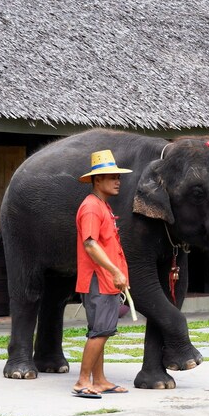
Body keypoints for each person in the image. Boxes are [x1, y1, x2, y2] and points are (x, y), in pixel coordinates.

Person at [72, 149, 133, 398]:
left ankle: (100, 380)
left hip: (105, 279)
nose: (117, 181)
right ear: (97, 180)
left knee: (101, 330)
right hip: (100, 278)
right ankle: (82, 381)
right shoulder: (91, 208)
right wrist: (115, 271)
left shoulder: (102, 206)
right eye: (111, 177)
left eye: (118, 177)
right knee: (100, 331)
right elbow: (90, 244)